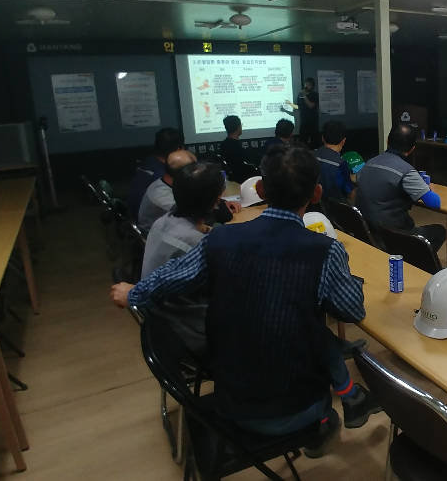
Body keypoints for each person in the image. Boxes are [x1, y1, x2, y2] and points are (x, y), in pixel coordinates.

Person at [111, 143, 381, 455]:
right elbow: (352, 310)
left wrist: (133, 292)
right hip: (294, 410)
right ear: (316, 194)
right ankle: (326, 418)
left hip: (227, 402)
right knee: (311, 330)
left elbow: (168, 278)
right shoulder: (325, 251)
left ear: (261, 189)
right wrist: (348, 278)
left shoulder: (219, 238)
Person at [139, 162, 226, 353]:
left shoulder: (161, 222)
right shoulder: (196, 244)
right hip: (192, 333)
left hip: (161, 323)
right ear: (216, 201)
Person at [355, 124, 446, 250]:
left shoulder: (368, 164)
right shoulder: (406, 171)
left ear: (387, 141)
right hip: (394, 235)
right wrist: (429, 189)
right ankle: (413, 259)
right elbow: (435, 202)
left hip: (367, 232)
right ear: (412, 149)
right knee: (440, 231)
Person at [128, 128, 184, 219]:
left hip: (136, 215)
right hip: (151, 220)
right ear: (178, 150)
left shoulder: (148, 162)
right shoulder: (161, 174)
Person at [138, 150, 196, 233]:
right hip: (157, 237)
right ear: (185, 174)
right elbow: (192, 216)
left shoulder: (165, 183)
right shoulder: (164, 197)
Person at [313, 120, 356, 203]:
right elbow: (350, 194)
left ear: (322, 138)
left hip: (313, 205)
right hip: (333, 207)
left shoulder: (309, 155)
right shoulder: (341, 164)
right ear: (343, 141)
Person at [219, 115, 259, 183]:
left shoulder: (223, 145)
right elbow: (245, 166)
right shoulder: (237, 148)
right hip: (241, 179)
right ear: (238, 127)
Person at [298, 77, 320, 148]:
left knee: (314, 141)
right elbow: (298, 107)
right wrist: (289, 105)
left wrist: (305, 96)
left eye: (309, 84)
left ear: (312, 86)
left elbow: (311, 105)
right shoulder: (300, 95)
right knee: (302, 142)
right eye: (306, 83)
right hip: (304, 122)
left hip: (313, 122)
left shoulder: (315, 95)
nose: (307, 85)